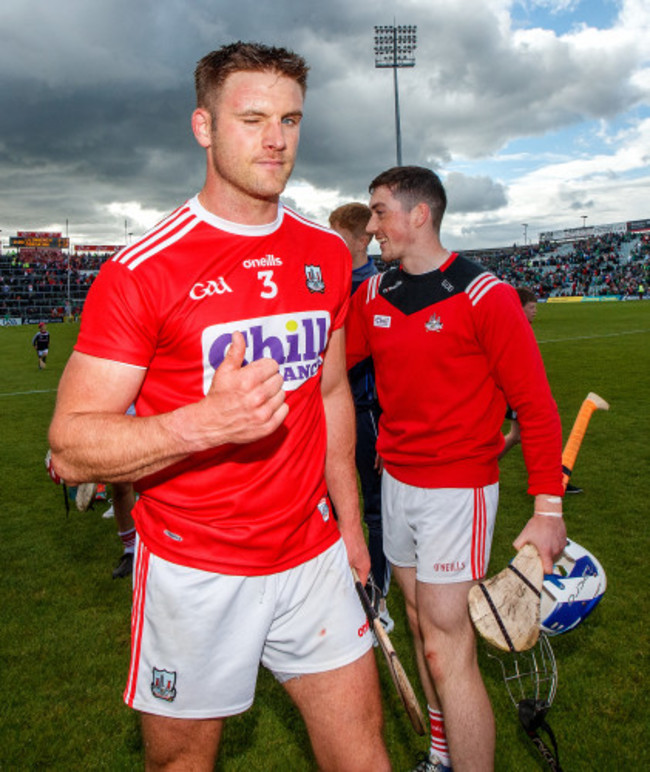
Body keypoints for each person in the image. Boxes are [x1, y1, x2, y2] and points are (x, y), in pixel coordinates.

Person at [48, 42, 389, 771]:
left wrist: (352, 528)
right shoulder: (141, 272)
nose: (276, 141)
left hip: (312, 556)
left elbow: (331, 393)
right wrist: (205, 423)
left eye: (291, 120)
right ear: (203, 127)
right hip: (195, 570)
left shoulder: (326, 255)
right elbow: (70, 448)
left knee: (363, 753)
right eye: (254, 119)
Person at [345, 166, 567, 772]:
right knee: (420, 629)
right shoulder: (373, 294)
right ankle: (442, 756)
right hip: (396, 483)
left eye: (380, 211)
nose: (372, 225)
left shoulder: (484, 295)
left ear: (420, 215)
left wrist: (548, 508)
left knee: (449, 649)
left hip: (457, 489)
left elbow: (537, 407)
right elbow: (329, 364)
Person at [329, 202, 392, 632]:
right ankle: (337, 583)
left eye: (338, 234)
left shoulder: (376, 285)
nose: (330, 241)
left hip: (366, 409)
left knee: (374, 508)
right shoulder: (329, 280)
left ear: (361, 237)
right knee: (331, 503)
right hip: (331, 409)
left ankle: (379, 594)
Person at [499, 287, 583, 494]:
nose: (535, 311)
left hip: (518, 391)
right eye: (531, 307)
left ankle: (481, 466)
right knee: (541, 432)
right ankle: (554, 481)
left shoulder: (517, 327)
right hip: (519, 393)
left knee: (518, 435)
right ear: (520, 309)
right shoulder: (514, 329)